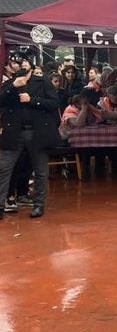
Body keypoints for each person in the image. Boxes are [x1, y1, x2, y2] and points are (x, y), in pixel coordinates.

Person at [0, 55, 62, 218]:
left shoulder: (43, 82)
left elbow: (54, 103)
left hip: (37, 132)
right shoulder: (10, 83)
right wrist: (14, 86)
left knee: (40, 170)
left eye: (26, 61)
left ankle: (39, 205)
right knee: (4, 168)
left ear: (32, 66)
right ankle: (1, 205)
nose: (23, 64)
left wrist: (33, 100)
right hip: (14, 132)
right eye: (19, 63)